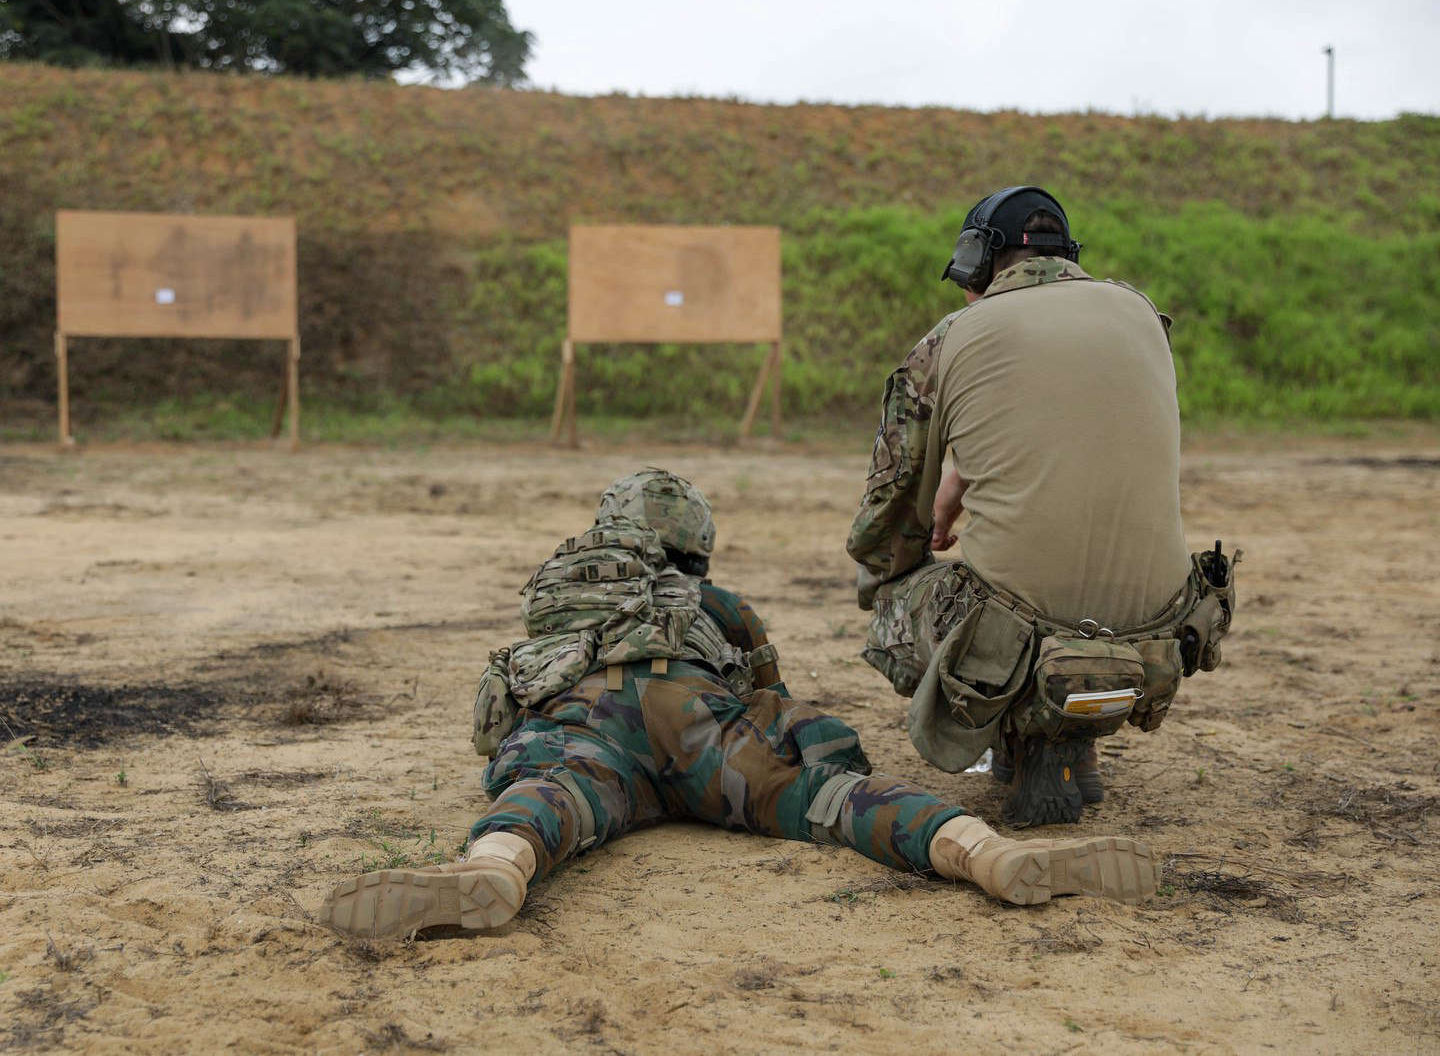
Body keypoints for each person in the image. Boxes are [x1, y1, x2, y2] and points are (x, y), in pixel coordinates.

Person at [319, 468, 1158, 940]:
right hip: (698, 726)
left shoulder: (561, 587)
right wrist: (785, 748)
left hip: (587, 720)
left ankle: (492, 869)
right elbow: (771, 698)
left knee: (550, 792)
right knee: (826, 798)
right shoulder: (714, 606)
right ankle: (978, 849)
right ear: (695, 549)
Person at [848, 186, 1238, 827]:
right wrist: (963, 479)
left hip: (1020, 638)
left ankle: (1027, 739)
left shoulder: (952, 336)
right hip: (1163, 630)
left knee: (900, 586)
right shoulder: (1142, 315)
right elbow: (1071, 438)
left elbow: (890, 506)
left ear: (977, 263)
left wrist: (890, 569)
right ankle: (1074, 741)